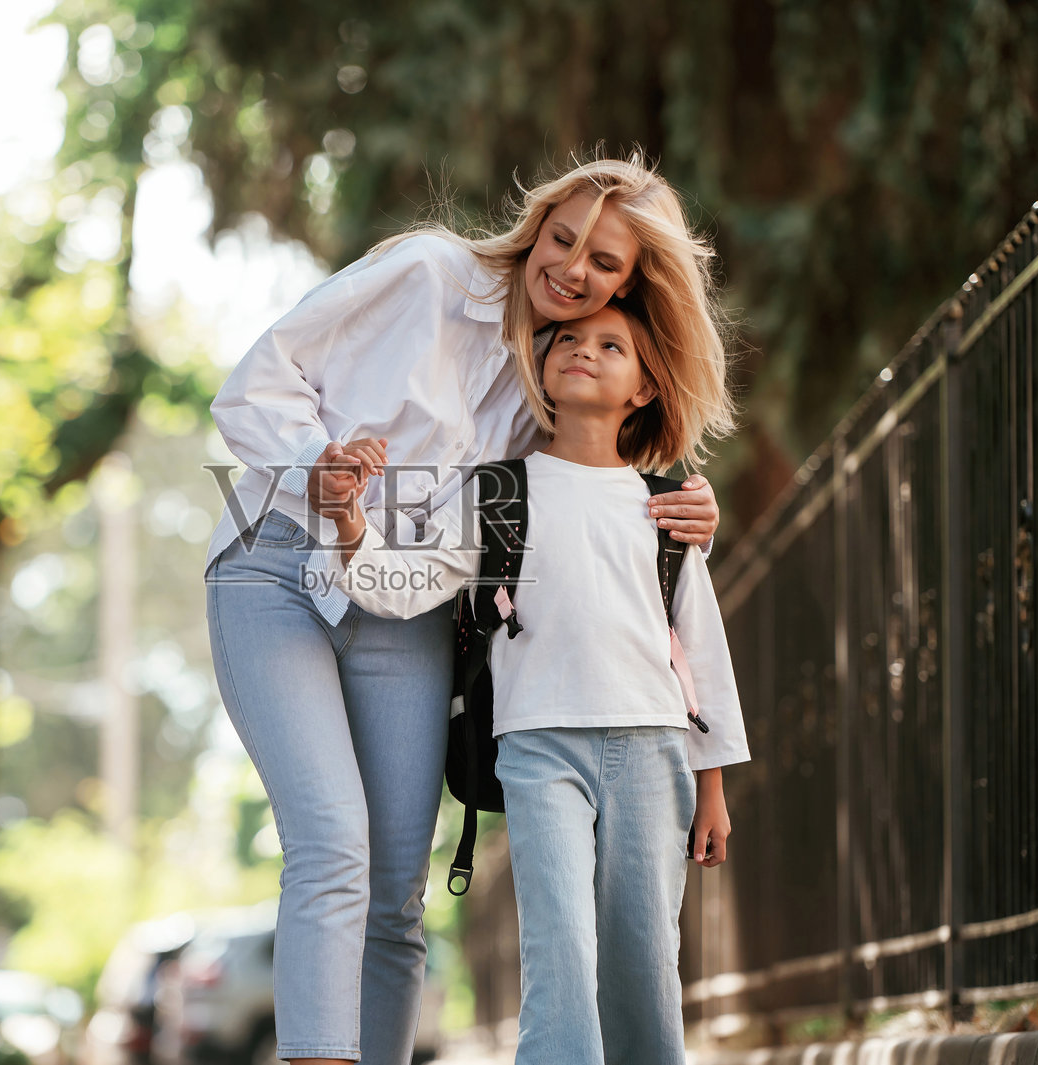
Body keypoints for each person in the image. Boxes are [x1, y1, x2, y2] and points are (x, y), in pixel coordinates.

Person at [204, 154, 722, 1065]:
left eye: (604, 263)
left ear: (631, 280)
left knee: (397, 886)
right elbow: (255, 380)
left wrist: (687, 505)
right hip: (278, 566)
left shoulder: (560, 370)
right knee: (333, 841)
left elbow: (593, 492)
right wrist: (314, 464)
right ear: (539, 221)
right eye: (563, 239)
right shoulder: (428, 272)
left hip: (405, 606)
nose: (572, 270)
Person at [313, 297, 750, 1065]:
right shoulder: (496, 491)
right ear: (541, 369)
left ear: (644, 388)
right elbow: (403, 582)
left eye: (612, 345)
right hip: (538, 747)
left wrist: (710, 784)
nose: (583, 350)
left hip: (654, 751)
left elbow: (700, 648)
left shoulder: (664, 502)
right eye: (569, 339)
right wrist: (350, 525)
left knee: (644, 960)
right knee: (560, 953)